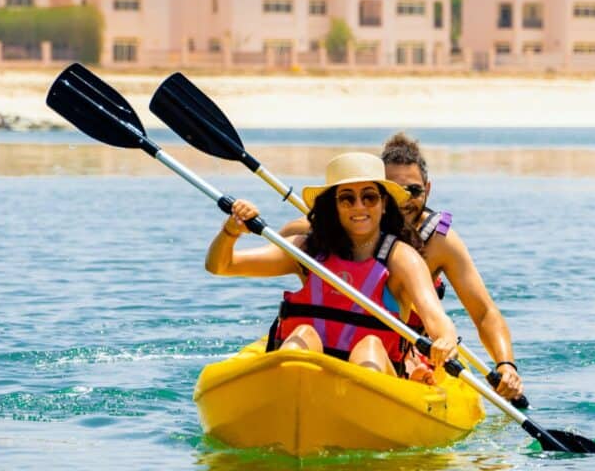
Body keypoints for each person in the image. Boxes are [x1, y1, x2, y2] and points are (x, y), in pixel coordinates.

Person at [281, 134, 524, 399]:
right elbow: (289, 237)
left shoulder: (439, 243)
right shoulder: (344, 227)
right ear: (383, 192)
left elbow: (484, 312)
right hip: (329, 339)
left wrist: (505, 364)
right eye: (396, 190)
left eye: (415, 190)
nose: (405, 199)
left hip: (398, 350)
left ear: (428, 190)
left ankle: (414, 375)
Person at [206, 151, 459, 377]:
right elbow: (221, 265)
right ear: (334, 206)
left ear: (383, 205)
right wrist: (231, 231)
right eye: (347, 198)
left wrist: (446, 340)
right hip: (306, 379)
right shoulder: (307, 250)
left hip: (376, 381)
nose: (359, 206)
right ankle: (290, 387)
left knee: (369, 347)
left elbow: (436, 318)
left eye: (369, 197)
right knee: (302, 335)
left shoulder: (402, 258)